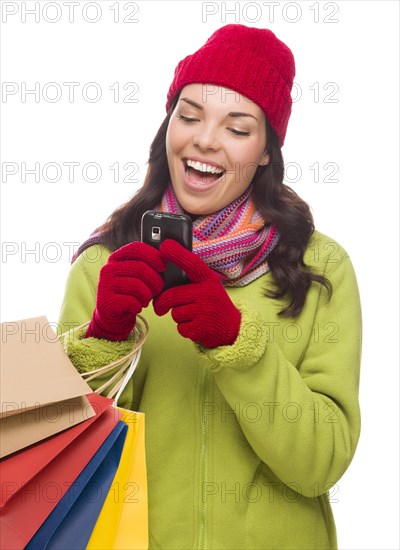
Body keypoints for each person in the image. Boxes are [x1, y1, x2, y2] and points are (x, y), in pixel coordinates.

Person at [58, 24, 362, 550]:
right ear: (168, 126)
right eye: (189, 115)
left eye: (237, 128)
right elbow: (59, 461)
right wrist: (105, 338)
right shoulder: (105, 261)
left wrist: (238, 348)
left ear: (267, 150)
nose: (203, 139)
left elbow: (322, 464)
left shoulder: (320, 266)